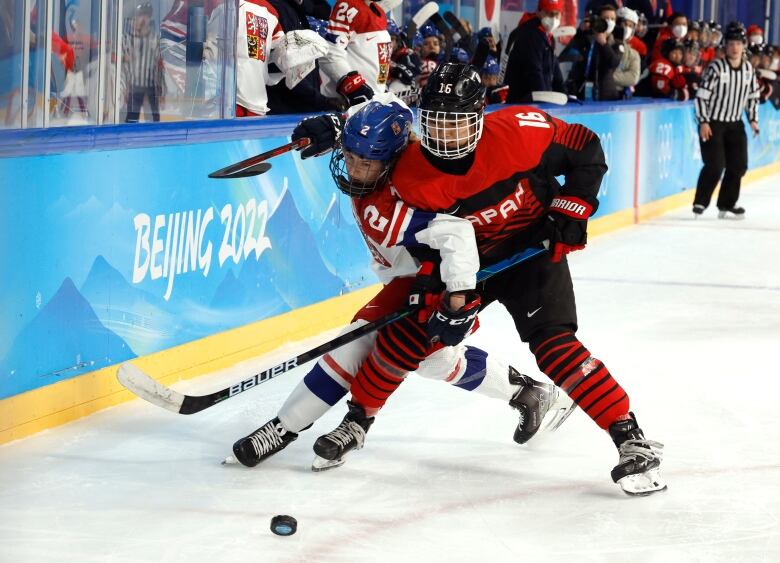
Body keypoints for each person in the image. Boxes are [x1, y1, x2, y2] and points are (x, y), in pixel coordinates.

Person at [326, 62, 666, 496]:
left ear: (478, 118)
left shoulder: (520, 131)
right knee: (408, 332)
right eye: (436, 123)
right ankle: (358, 420)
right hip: (467, 264)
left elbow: (586, 146)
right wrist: (441, 289)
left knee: (555, 347)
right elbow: (426, 239)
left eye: (456, 124)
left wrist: (573, 206)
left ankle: (629, 438)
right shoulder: (409, 174)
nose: (446, 136)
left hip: (532, 252)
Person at [228, 98, 571, 470]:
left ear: (390, 162)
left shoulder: (408, 193)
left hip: (430, 282)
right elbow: (385, 105)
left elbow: (458, 236)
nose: (355, 170)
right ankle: (527, 392)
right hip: (406, 275)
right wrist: (338, 123)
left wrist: (457, 295)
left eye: (366, 163)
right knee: (434, 361)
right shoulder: (382, 156)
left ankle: (286, 428)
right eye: (350, 156)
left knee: (355, 341)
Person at [693, 22, 761, 219]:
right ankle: (700, 202)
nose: (735, 47)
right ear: (725, 46)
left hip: (735, 123)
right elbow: (701, 96)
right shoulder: (716, 68)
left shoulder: (749, 70)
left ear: (743, 45)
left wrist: (753, 120)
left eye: (738, 43)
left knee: (739, 165)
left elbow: (753, 97)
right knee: (715, 165)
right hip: (714, 123)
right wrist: (703, 122)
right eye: (731, 43)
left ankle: (727, 203)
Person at [318, 0, 392, 107]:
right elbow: (330, 52)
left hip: (375, 100)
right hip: (351, 104)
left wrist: (380, 87)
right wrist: (354, 87)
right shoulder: (349, 5)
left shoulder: (378, 10)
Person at [504, 0, 565, 103]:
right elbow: (534, 72)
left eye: (556, 14)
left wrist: (564, 95)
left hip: (535, 100)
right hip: (522, 102)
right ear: (539, 12)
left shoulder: (548, 36)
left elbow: (556, 72)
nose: (553, 18)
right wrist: (545, 101)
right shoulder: (530, 34)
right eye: (549, 13)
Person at [122, 2, 163, 123]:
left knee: (154, 120)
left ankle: (156, 140)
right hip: (133, 86)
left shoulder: (154, 39)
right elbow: (122, 67)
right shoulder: (126, 39)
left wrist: (161, 88)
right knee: (131, 119)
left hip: (151, 87)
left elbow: (159, 65)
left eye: (146, 16)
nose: (143, 19)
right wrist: (123, 88)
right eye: (140, 15)